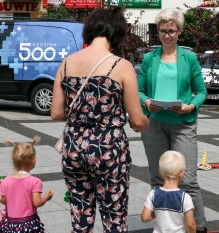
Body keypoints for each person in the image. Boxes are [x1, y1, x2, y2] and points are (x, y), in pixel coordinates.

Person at [51, 7, 149, 233]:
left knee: (80, 210)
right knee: (114, 215)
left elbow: (56, 113)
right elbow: (136, 120)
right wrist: (146, 121)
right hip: (108, 150)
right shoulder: (121, 66)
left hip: (74, 147)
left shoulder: (66, 63)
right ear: (117, 33)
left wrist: (83, 115)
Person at [137, 8, 208, 233]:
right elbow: (139, 90)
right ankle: (164, 227)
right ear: (158, 32)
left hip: (183, 123)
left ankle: (199, 228)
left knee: (187, 181)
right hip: (155, 123)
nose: (167, 35)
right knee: (158, 179)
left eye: (172, 31)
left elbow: (201, 91)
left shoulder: (189, 57)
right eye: (163, 31)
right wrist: (147, 102)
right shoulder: (150, 58)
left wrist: (190, 106)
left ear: (180, 31)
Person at [0, 136, 53, 233]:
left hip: (11, 224)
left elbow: (4, 201)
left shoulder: (6, 180)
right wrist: (46, 197)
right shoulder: (35, 181)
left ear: (14, 161)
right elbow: (37, 202)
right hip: (29, 224)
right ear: (33, 160)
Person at [141, 151, 196, 233]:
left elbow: (144, 218)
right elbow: (191, 224)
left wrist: (157, 212)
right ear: (181, 174)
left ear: (160, 173)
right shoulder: (185, 197)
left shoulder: (154, 193)